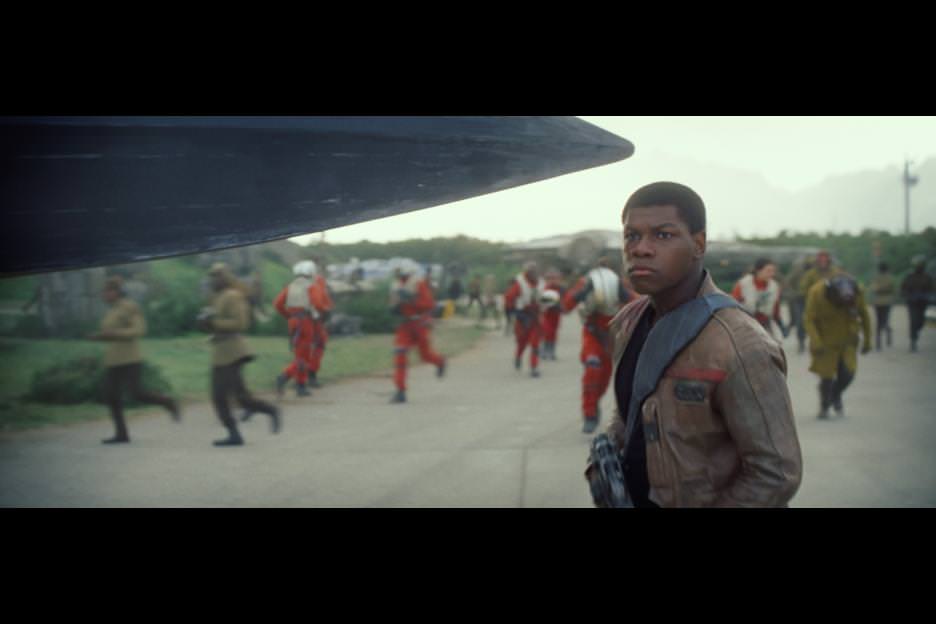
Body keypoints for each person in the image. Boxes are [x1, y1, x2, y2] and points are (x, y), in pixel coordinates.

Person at [585, 181, 802, 507]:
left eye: (663, 235)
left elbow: (775, 473)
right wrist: (608, 455)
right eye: (631, 236)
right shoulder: (629, 322)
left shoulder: (740, 345)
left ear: (699, 244)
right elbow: (632, 408)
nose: (640, 248)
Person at [89, 276, 180, 444]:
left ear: (116, 292)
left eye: (107, 291)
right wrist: (100, 337)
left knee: (137, 393)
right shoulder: (111, 310)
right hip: (113, 359)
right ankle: (121, 434)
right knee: (111, 395)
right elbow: (110, 333)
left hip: (130, 358)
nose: (104, 295)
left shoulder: (130, 307)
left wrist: (114, 334)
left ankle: (168, 402)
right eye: (104, 292)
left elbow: (139, 330)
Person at [199, 263, 280, 446]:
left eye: (216, 277)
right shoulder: (218, 297)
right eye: (211, 277)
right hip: (221, 351)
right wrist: (205, 323)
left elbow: (241, 323)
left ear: (224, 278)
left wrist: (214, 321)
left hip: (233, 351)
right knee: (237, 397)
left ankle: (246, 426)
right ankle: (258, 418)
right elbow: (216, 322)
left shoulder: (233, 296)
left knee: (225, 397)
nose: (212, 280)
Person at [561, 258, 633, 433]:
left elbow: (639, 303)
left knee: (605, 379)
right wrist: (582, 293)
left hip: (613, 337)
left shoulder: (620, 284)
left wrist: (624, 294)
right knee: (592, 368)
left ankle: (595, 404)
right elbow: (566, 305)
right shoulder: (585, 283)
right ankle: (589, 414)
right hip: (593, 335)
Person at [803, 272, 871, 418]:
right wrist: (815, 340)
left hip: (848, 341)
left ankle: (836, 394)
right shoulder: (816, 292)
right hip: (825, 342)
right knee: (826, 377)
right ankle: (824, 406)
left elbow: (864, 315)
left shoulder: (857, 291)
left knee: (848, 374)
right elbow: (809, 319)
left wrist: (868, 340)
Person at [272, 260, 333, 397]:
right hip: (305, 323)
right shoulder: (311, 286)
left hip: (294, 322)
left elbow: (277, 304)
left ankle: (301, 385)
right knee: (303, 356)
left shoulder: (291, 286)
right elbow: (317, 303)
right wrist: (325, 310)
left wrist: (289, 316)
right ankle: (285, 377)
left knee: (300, 354)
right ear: (310, 272)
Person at [389, 261, 447, 403]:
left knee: (425, 355)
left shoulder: (419, 284)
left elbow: (429, 304)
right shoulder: (396, 285)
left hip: (420, 323)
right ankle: (400, 390)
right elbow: (392, 304)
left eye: (399, 271)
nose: (398, 274)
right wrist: (394, 307)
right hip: (405, 325)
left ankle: (440, 362)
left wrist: (412, 300)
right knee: (400, 353)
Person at [504, 262, 545, 378]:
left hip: (536, 318)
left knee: (535, 343)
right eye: (531, 271)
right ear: (527, 273)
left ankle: (534, 367)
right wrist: (515, 313)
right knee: (522, 342)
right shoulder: (519, 283)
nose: (534, 273)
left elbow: (546, 297)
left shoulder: (541, 283)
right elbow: (509, 298)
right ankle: (518, 356)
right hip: (523, 317)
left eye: (535, 271)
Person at [731, 258, 786, 340]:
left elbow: (775, 307)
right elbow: (732, 305)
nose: (772, 274)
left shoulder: (774, 286)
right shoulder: (743, 284)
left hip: (765, 323)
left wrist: (780, 324)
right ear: (758, 271)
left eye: (773, 271)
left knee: (776, 344)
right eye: (768, 271)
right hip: (745, 324)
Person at [901, 255, 934, 352]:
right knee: (913, 321)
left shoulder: (928, 277)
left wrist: (929, 296)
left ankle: (916, 332)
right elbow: (903, 288)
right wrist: (906, 295)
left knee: (921, 321)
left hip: (923, 302)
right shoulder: (909, 276)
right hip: (912, 302)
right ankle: (913, 341)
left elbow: (932, 289)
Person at [784, 258, 812, 353]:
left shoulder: (816, 272)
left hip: (813, 300)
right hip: (800, 299)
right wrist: (794, 294)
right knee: (800, 321)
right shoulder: (797, 272)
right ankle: (801, 342)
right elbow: (788, 283)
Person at [868, 261, 896, 350]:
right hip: (886, 302)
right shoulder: (890, 278)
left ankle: (879, 343)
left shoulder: (878, 278)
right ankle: (883, 337)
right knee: (883, 321)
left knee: (880, 322)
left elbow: (874, 288)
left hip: (879, 302)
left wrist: (879, 289)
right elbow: (892, 289)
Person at [540, 268, 564, 360]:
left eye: (556, 278)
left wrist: (562, 307)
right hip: (547, 315)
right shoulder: (545, 288)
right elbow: (543, 302)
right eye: (551, 278)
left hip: (556, 315)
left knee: (553, 334)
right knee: (547, 333)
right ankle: (544, 351)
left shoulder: (560, 289)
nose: (554, 280)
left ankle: (552, 352)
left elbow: (564, 301)